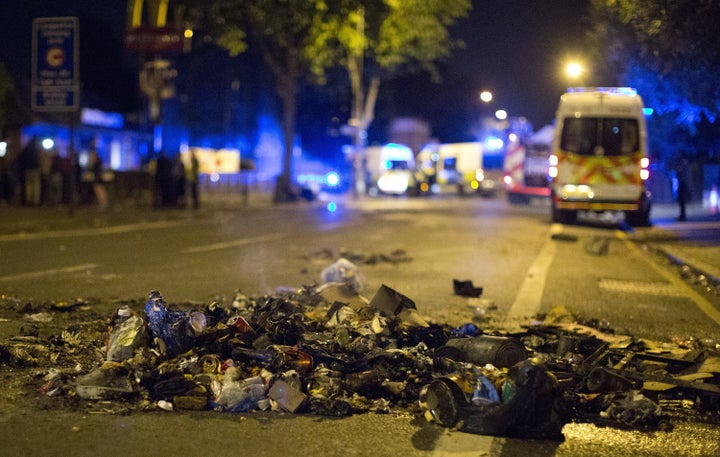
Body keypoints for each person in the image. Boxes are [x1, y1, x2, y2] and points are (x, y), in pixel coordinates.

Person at [674, 153, 690, 221]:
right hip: (682, 183)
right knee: (681, 201)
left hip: (682, 184)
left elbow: (681, 174)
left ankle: (683, 216)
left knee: (682, 201)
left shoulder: (684, 164)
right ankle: (682, 215)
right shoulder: (684, 164)